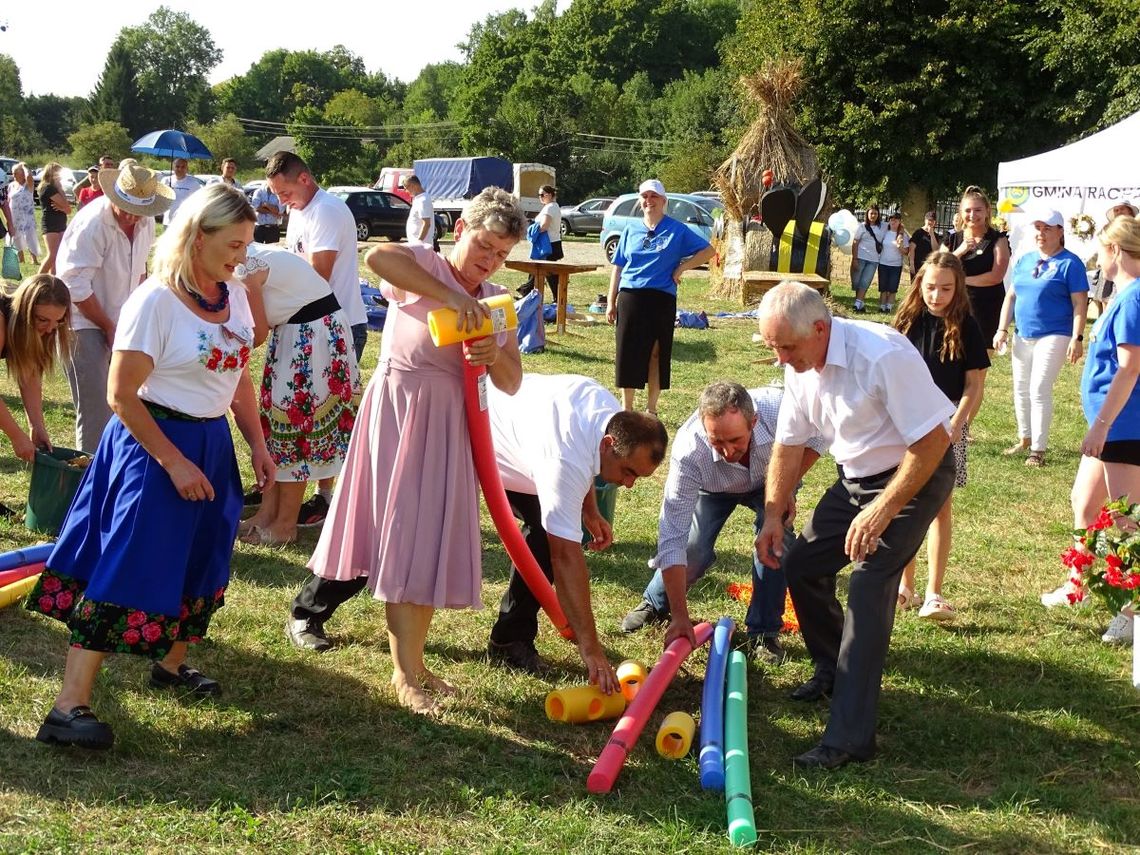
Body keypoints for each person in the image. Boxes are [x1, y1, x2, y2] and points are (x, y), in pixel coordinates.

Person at [26, 184, 274, 750]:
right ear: (196, 236)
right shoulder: (154, 301)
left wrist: (256, 443)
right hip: (153, 441)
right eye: (232, 243)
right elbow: (121, 395)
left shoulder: (233, 296)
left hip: (210, 441)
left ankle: (169, 665)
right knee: (131, 561)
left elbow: (237, 377)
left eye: (247, 243)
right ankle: (68, 707)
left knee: (202, 558)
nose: (242, 255)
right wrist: (174, 462)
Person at [285, 188, 525, 715]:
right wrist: (455, 298)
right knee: (402, 540)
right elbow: (377, 258)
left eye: (501, 253)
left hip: (450, 429)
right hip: (398, 417)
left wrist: (491, 352)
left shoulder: (498, 299)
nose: (489, 259)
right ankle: (403, 673)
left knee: (425, 544)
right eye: (484, 245)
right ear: (461, 229)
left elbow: (512, 380)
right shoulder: (423, 263)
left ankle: (414, 665)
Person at [756, 281, 955, 769]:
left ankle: (849, 739)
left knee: (869, 585)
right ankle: (832, 669)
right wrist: (773, 513)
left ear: (821, 329)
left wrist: (883, 510)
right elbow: (789, 444)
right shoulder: (801, 366)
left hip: (916, 475)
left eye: (787, 347)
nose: (781, 358)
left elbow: (931, 443)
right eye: (772, 347)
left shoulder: (882, 355)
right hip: (857, 479)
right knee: (800, 563)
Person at [619, 380, 825, 664]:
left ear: (754, 422)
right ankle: (656, 603)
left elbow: (817, 437)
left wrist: (786, 487)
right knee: (693, 549)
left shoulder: (781, 410)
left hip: (772, 479)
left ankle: (764, 632)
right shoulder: (690, 450)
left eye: (735, 440)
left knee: (775, 540)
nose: (728, 452)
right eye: (717, 441)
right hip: (713, 487)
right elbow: (672, 535)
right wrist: (682, 617)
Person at [484, 374, 666, 690]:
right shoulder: (565, 461)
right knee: (549, 540)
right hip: (488, 440)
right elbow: (566, 558)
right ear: (610, 445)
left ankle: (509, 638)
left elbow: (588, 460)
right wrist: (591, 650)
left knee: (544, 533)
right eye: (628, 472)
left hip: (529, 440)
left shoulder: (609, 415)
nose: (629, 484)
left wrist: (590, 509)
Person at [1044, 215, 1140, 644]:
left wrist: (1102, 424)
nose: (1099, 259)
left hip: (1123, 425)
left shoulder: (1134, 297)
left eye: (1102, 250)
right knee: (1084, 502)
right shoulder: (1126, 295)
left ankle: (1132, 612)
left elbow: (1129, 367)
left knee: (1126, 520)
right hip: (1111, 425)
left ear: (1115, 251)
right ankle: (1077, 585)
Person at [266, 151, 367, 527]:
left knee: (330, 414)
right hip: (307, 324)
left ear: (305, 179)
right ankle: (297, 491)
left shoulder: (327, 211)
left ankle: (324, 497)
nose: (281, 201)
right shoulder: (300, 211)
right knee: (311, 412)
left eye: (285, 191)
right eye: (276, 194)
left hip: (338, 325)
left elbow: (316, 275)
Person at [234, 243, 359, 546]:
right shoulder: (240, 256)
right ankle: (267, 514)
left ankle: (285, 524)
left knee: (296, 427)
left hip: (313, 336)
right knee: (276, 427)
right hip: (295, 333)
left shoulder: (244, 266)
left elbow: (257, 332)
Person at [893, 251, 990, 620]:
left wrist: (957, 424)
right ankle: (905, 586)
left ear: (958, 288)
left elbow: (974, 384)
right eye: (931, 287)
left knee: (938, 507)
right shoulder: (907, 319)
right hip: (907, 420)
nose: (937, 296)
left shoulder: (966, 325)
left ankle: (934, 592)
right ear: (920, 284)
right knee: (903, 502)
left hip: (948, 422)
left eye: (946, 289)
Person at [56, 161, 168, 452]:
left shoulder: (144, 224)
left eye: (139, 210)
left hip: (121, 323)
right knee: (96, 409)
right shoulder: (91, 223)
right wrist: (107, 325)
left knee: (129, 403)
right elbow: (74, 285)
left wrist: (133, 319)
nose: (132, 216)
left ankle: (113, 472)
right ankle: (89, 482)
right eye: (126, 207)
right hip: (83, 324)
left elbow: (141, 273)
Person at [605, 179, 714, 415]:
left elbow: (708, 250)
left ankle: (651, 410)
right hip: (631, 295)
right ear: (640, 201)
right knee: (629, 351)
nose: (649, 201)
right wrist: (611, 301)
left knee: (656, 352)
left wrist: (682, 268)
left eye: (654, 197)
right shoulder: (630, 230)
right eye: (645, 196)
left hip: (661, 298)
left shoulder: (677, 229)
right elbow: (618, 266)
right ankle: (627, 408)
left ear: (664, 201)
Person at [993, 207, 1088, 467]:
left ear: (1060, 232)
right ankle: (1025, 437)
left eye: (1047, 228)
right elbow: (1011, 296)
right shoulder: (1025, 260)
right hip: (1023, 333)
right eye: (1038, 228)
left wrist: (1077, 337)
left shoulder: (1071, 263)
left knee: (1038, 388)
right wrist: (1002, 328)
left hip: (1055, 333)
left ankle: (1038, 450)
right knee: (1020, 387)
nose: (1041, 233)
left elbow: (1080, 303)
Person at [0, 274, 71, 481]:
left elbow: (29, 373)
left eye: (58, 321)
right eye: (42, 320)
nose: (50, 329)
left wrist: (37, 427)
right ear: (24, 311)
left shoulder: (33, 331)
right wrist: (16, 435)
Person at [943, 186, 1010, 347]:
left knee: (978, 361)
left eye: (978, 210)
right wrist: (960, 251)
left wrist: (960, 280)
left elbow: (996, 276)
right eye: (968, 210)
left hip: (985, 307)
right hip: (953, 304)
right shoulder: (952, 239)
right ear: (960, 212)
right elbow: (937, 267)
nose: (972, 215)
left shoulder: (998, 240)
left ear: (987, 211)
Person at [1089, 200, 1138, 312]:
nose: (1119, 212)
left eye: (1122, 209)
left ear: (1130, 212)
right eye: (1116, 210)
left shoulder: (1135, 229)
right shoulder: (1107, 229)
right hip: (1109, 267)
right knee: (1105, 299)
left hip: (1125, 269)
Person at [519, 185, 563, 301]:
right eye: (539, 195)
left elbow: (544, 226)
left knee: (546, 272)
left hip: (548, 245)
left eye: (542, 195)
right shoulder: (552, 207)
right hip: (551, 243)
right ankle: (527, 293)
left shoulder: (550, 207)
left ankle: (526, 293)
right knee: (542, 271)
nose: (540, 197)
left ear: (549, 195)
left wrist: (532, 230)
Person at [849, 205, 885, 313]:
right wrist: (855, 259)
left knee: (865, 282)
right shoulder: (862, 226)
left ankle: (856, 304)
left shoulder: (883, 226)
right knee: (856, 282)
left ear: (878, 215)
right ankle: (861, 303)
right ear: (867, 214)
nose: (873, 215)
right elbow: (855, 242)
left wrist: (901, 233)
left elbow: (898, 225)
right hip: (860, 258)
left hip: (873, 260)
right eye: (871, 213)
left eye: (875, 213)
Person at [37, 163, 72, 275]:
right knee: (52, 255)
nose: (61, 176)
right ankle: (37, 280)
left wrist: (62, 208)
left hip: (61, 223)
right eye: (59, 173)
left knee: (59, 256)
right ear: (52, 173)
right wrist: (63, 206)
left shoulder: (56, 188)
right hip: (50, 224)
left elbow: (68, 210)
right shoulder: (48, 188)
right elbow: (65, 204)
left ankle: (53, 281)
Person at [8, 163, 40, 266]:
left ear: (22, 174)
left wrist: (24, 167)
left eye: (16, 173)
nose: (14, 175)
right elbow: (9, 200)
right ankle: (21, 259)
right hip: (14, 215)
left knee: (29, 236)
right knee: (16, 237)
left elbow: (30, 176)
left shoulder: (28, 184)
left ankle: (33, 259)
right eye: (13, 173)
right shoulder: (11, 185)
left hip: (27, 215)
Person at [877, 211, 909, 313]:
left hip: (895, 265)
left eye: (896, 219)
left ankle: (889, 307)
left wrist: (900, 247)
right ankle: (882, 306)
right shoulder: (885, 232)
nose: (893, 221)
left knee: (892, 287)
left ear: (900, 222)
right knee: (883, 287)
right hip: (883, 263)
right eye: (891, 219)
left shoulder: (903, 236)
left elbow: (906, 252)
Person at [162, 158, 205, 227]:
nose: (180, 169)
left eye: (183, 167)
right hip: (168, 221)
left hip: (184, 221)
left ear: (187, 168)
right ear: (173, 167)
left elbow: (199, 201)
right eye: (177, 166)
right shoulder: (166, 180)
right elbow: (160, 199)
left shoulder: (193, 183)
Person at [402, 174, 435, 250]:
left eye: (406, 188)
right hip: (417, 244)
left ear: (414, 185)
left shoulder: (423, 200)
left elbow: (426, 223)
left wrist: (418, 242)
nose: (406, 191)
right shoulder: (418, 199)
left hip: (421, 246)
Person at [909, 211, 944, 277]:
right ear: (925, 220)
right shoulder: (918, 232)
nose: (930, 222)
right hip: (917, 264)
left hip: (929, 266)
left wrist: (932, 235)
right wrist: (911, 264)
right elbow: (911, 249)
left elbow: (936, 250)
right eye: (929, 220)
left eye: (933, 220)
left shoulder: (935, 235)